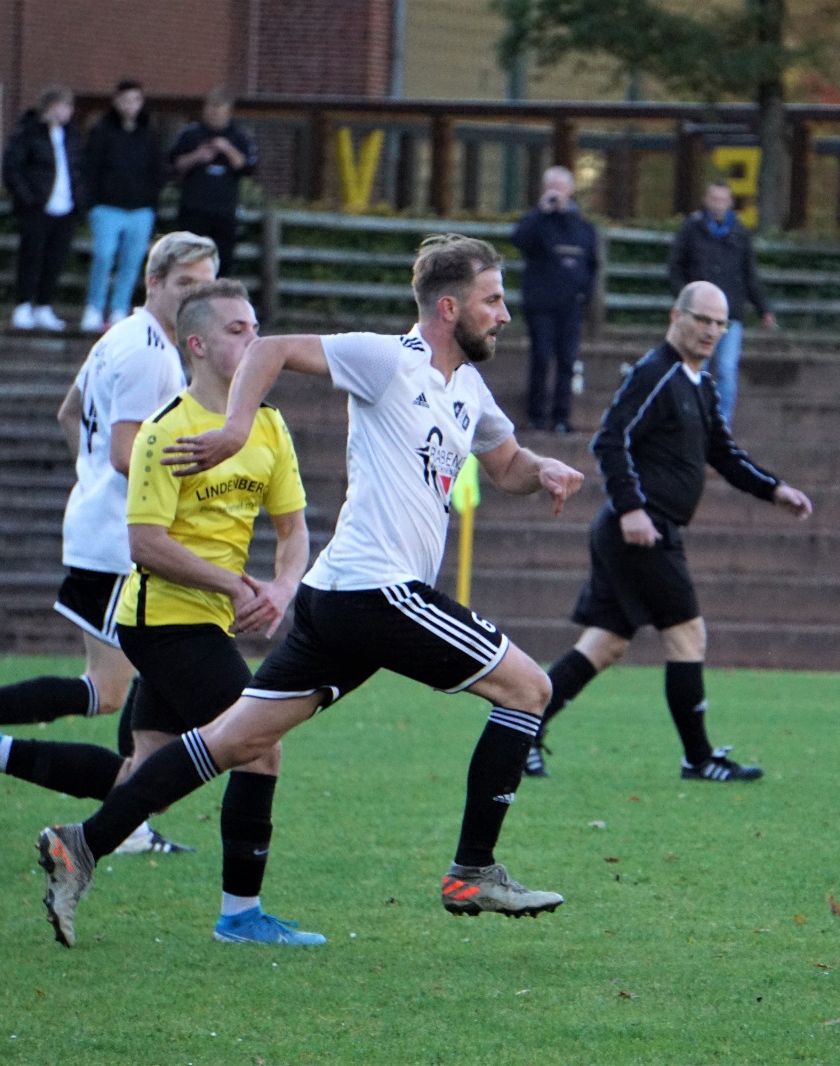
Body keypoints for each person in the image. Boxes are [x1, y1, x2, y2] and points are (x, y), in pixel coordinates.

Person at [32, 233, 585, 948]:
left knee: (237, 739)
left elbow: (505, 464)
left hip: (338, 596)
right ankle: (472, 871)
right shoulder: (388, 359)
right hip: (376, 591)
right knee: (530, 689)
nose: (505, 314)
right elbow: (271, 350)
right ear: (449, 308)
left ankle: (81, 845)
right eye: (493, 300)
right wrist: (236, 428)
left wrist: (543, 470)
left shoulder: (468, 389)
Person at [0, 281, 324, 945]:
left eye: (256, 327)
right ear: (197, 345)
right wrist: (233, 584)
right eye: (238, 330)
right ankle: (238, 916)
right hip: (160, 619)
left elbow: (294, 528)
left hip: (205, 617)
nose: (256, 340)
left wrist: (282, 586)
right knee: (259, 747)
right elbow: (145, 545)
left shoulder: (268, 425)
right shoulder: (166, 431)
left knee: (143, 776)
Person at [0, 231, 220, 854]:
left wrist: (89, 479)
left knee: (141, 683)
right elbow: (126, 453)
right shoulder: (151, 351)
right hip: (120, 542)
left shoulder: (121, 337)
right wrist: (202, 472)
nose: (194, 298)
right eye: (184, 284)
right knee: (110, 690)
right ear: (153, 282)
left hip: (104, 530)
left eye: (205, 286)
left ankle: (126, 822)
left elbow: (68, 413)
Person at [526, 281, 813, 782]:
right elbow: (610, 440)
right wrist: (632, 508)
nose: (711, 331)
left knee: (606, 645)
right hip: (643, 530)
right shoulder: (655, 373)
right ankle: (698, 759)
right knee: (688, 635)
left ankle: (523, 731)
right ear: (676, 317)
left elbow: (723, 452)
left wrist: (774, 489)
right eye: (702, 319)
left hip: (642, 530)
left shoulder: (700, 384)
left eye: (720, 323)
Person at [667, 181, 775, 427]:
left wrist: (764, 309)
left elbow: (749, 274)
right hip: (697, 314)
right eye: (714, 199)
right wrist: (686, 297)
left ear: (730, 203)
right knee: (696, 366)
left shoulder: (740, 233)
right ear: (706, 200)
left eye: (723, 200)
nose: (718, 205)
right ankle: (692, 420)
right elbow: (675, 268)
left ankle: (721, 425)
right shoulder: (691, 229)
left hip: (729, 315)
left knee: (727, 370)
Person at [511, 165, 599, 433]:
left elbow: (591, 264)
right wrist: (541, 213)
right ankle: (536, 416)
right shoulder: (536, 222)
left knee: (567, 360)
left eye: (561, 187)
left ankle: (562, 417)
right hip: (540, 303)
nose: (556, 193)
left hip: (570, 304)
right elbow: (519, 240)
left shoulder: (582, 226)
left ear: (570, 190)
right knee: (541, 356)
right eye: (552, 187)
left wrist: (585, 295)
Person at [80, 79, 166, 333]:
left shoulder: (148, 135)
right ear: (116, 101)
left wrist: (151, 201)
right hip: (107, 207)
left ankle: (119, 308)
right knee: (104, 255)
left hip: (140, 210)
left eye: (136, 100)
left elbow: (158, 171)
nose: (131, 105)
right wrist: (92, 202)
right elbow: (90, 169)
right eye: (126, 100)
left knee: (132, 261)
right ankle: (94, 307)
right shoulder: (101, 132)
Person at [2, 85, 81, 332]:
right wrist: (28, 198)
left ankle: (44, 306)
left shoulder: (72, 135)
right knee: (31, 256)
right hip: (37, 207)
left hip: (66, 208)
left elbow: (79, 168)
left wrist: (80, 199)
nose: (69, 111)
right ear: (52, 106)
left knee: (55, 259)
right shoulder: (28, 132)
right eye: (65, 105)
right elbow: (12, 168)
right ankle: (23, 305)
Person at [169, 88, 258, 277]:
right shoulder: (191, 133)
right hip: (194, 208)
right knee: (189, 261)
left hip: (224, 210)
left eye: (219, 109)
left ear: (228, 110)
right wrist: (197, 156)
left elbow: (248, 168)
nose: (214, 113)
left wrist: (228, 149)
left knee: (222, 262)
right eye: (211, 108)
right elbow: (174, 164)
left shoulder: (240, 136)